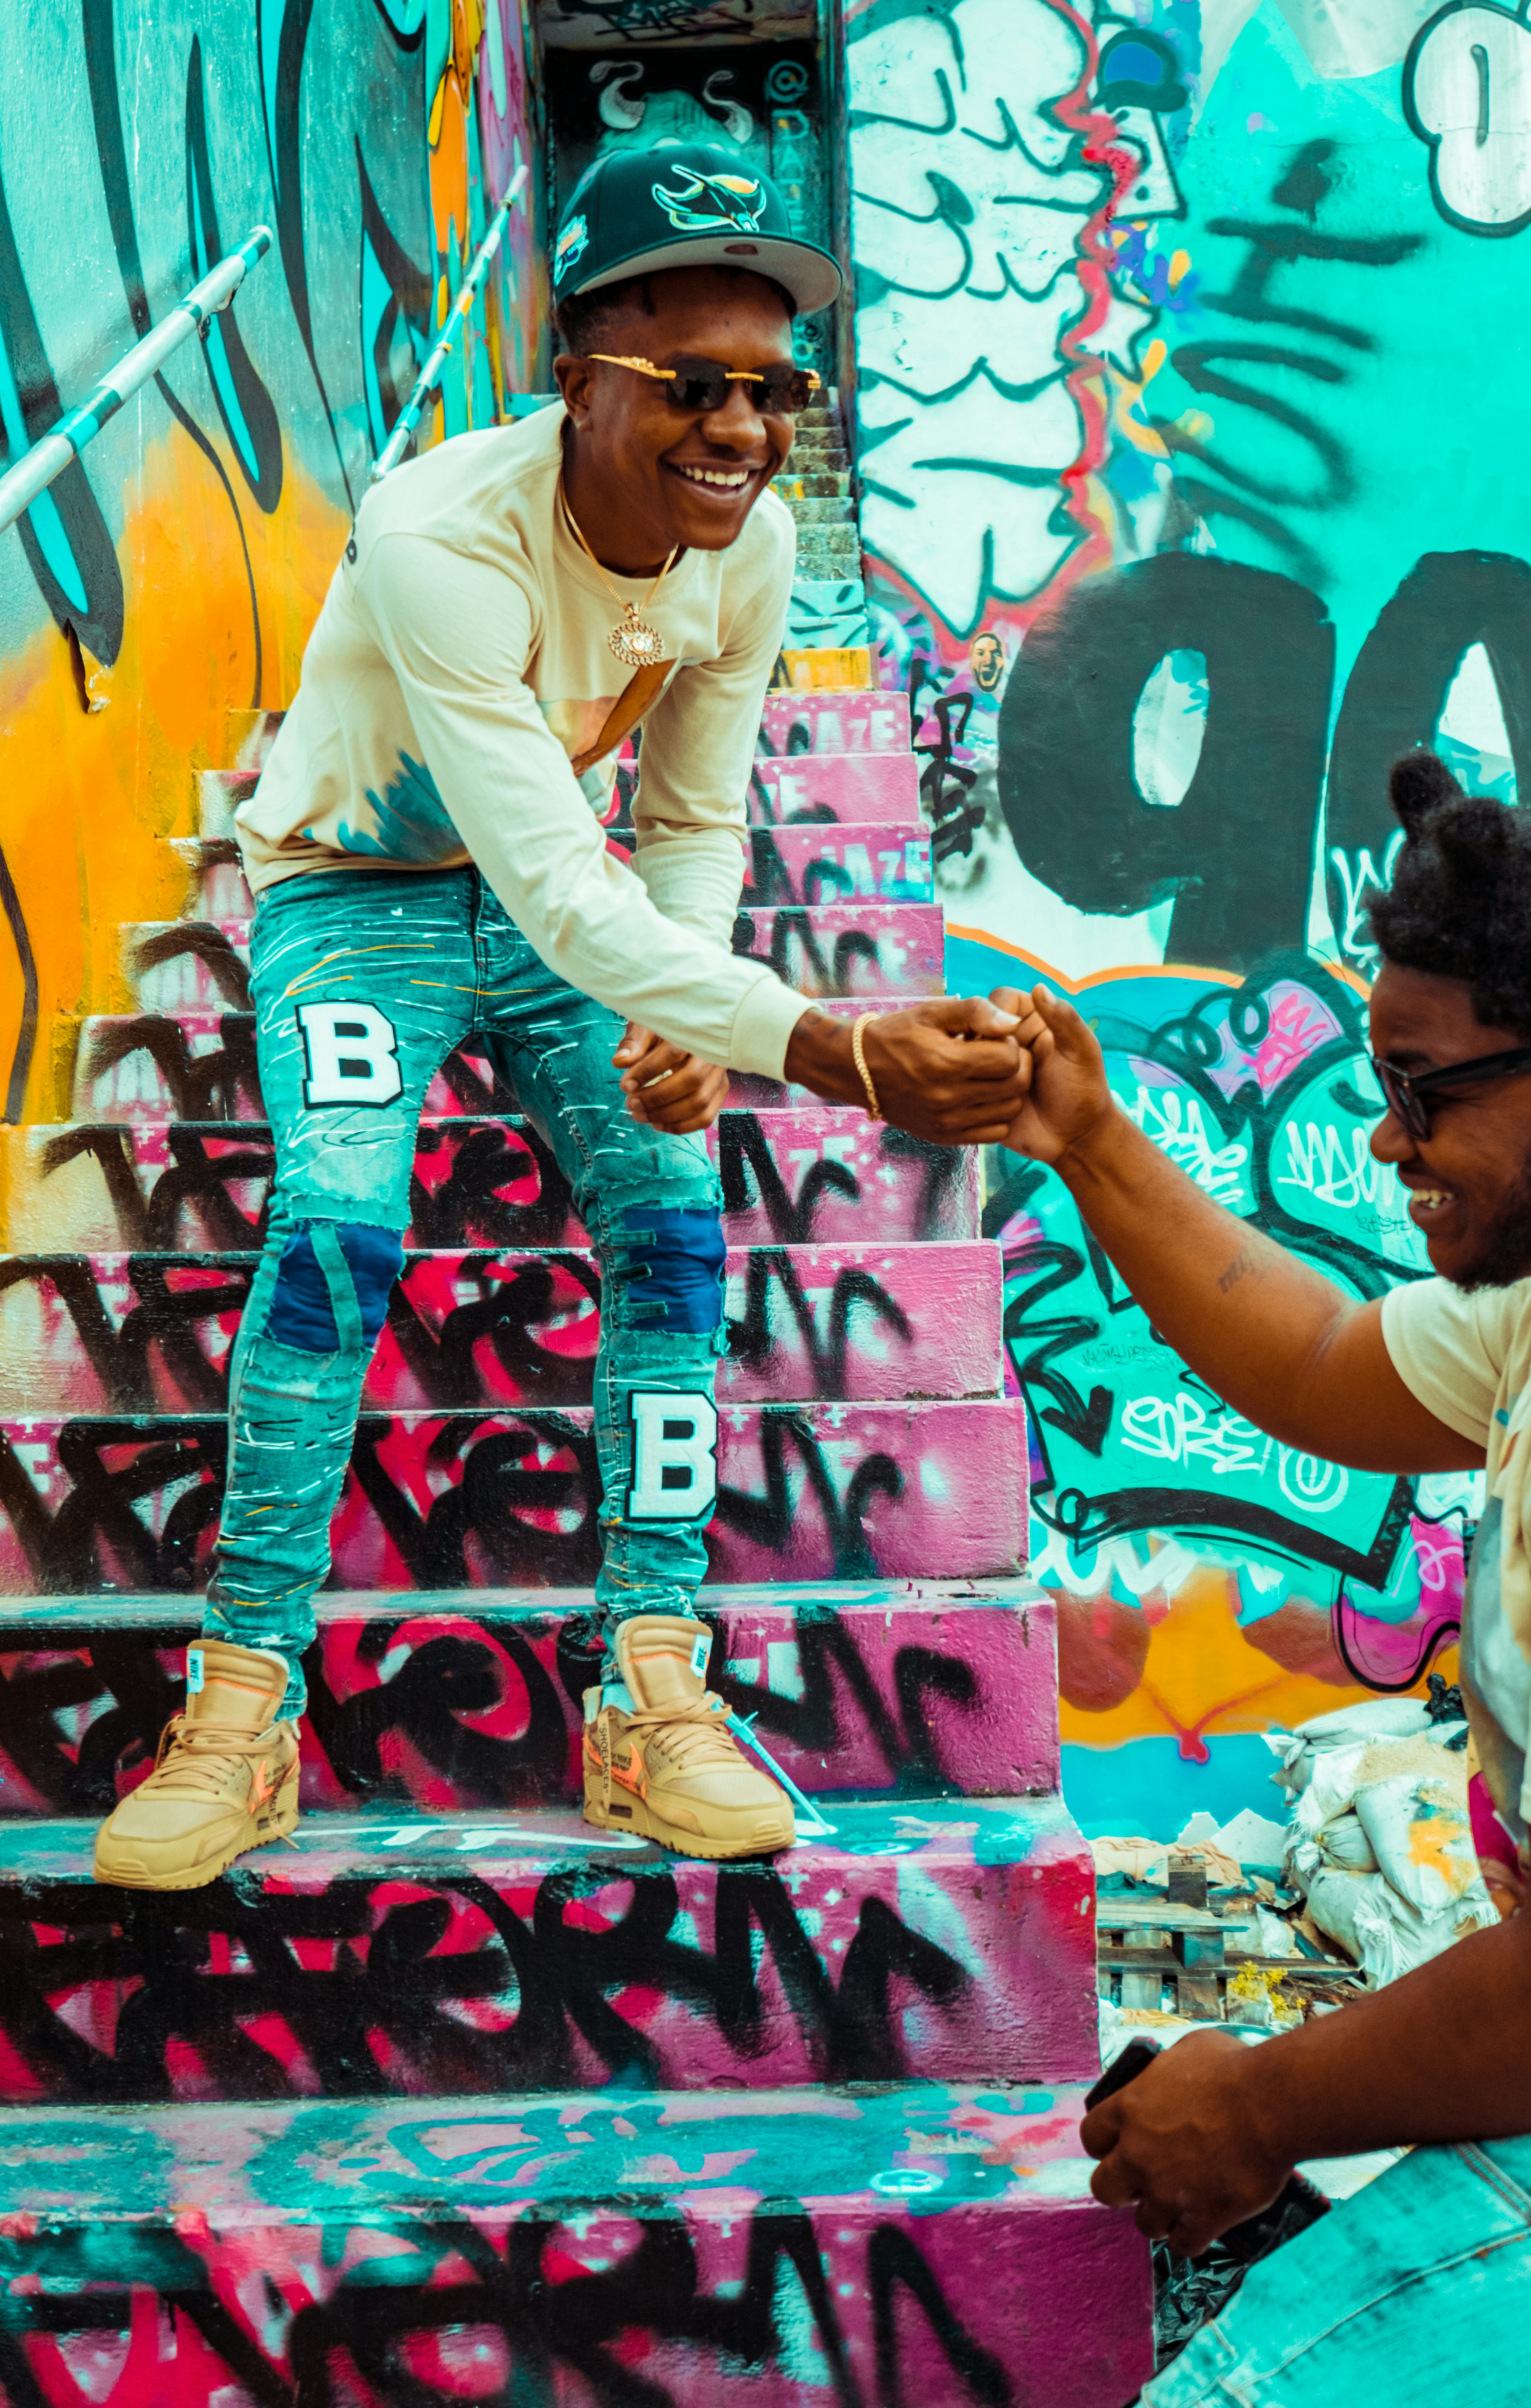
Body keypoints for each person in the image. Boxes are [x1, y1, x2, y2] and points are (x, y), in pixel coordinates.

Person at [91, 139, 1031, 1893]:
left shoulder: (734, 554)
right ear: (578, 374)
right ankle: (237, 1705)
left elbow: (678, 820)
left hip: (566, 917)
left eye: (775, 390)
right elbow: (550, 877)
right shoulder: (441, 530)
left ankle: (652, 1682)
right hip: (352, 899)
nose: (742, 434)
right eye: (695, 387)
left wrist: (694, 1014)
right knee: (341, 1224)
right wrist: (812, 1043)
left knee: (675, 1222)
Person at [995, 751, 1531, 2399]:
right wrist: (1088, 1136)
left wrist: (1256, 2107)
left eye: (1427, 1093)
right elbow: (1329, 1365)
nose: (1382, 1136)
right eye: (1375, 1080)